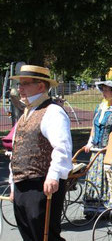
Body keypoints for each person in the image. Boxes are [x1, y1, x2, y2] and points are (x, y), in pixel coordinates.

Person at [9, 65, 73, 241]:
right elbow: (18, 149)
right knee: (29, 235)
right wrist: (13, 183)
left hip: (41, 185)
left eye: (25, 84)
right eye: (19, 84)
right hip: (23, 184)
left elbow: (62, 147)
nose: (19, 88)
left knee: (45, 236)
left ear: (41, 86)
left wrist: (53, 175)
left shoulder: (53, 111)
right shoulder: (26, 113)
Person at [83, 80, 112, 212]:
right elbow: (94, 126)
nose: (104, 92)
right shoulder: (100, 107)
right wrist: (89, 142)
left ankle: (109, 206)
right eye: (102, 89)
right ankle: (93, 206)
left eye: (107, 90)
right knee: (93, 176)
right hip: (97, 150)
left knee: (108, 177)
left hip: (111, 150)